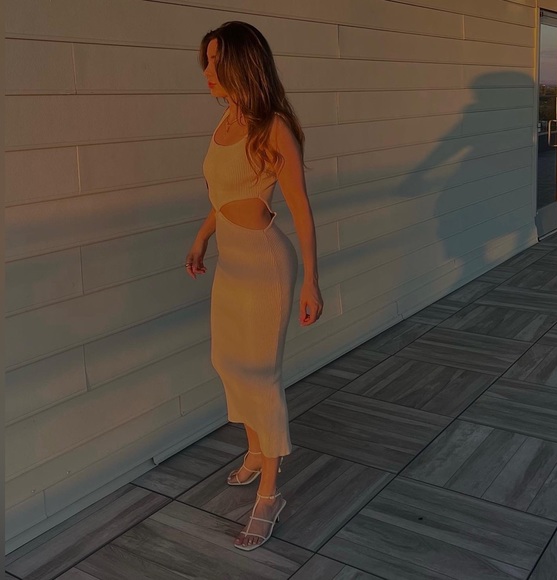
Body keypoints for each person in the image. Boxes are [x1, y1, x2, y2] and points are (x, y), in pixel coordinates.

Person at [186, 21, 323, 551]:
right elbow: (223, 196)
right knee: (227, 361)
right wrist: (202, 237)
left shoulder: (273, 128)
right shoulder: (225, 121)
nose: (207, 71)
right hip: (231, 263)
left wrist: (312, 281)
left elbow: (301, 209)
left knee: (262, 377)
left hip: (266, 265)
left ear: (242, 64)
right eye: (206, 60)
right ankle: (254, 448)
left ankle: (269, 495)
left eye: (216, 60)